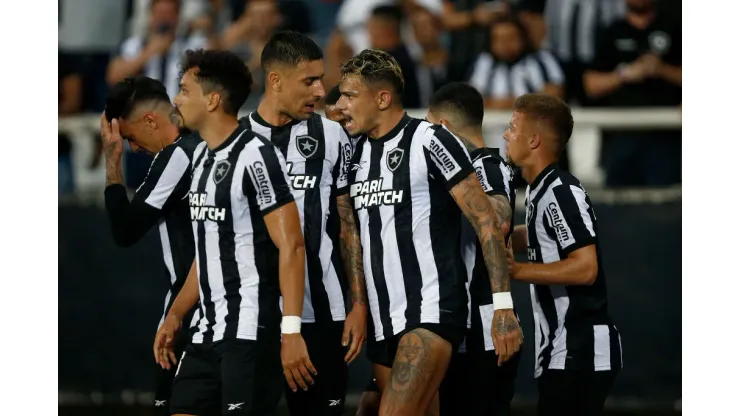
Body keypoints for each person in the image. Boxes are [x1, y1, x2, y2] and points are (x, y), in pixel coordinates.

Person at [335, 49, 523, 416]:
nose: (341, 104)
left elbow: (485, 220)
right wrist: (358, 303)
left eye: (350, 95)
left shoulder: (430, 140)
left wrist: (504, 307)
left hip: (431, 309)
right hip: (381, 317)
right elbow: (349, 232)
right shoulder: (353, 154)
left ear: (383, 98)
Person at [153, 49, 315, 416]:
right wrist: (177, 314)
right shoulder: (200, 158)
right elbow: (208, 250)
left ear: (212, 99)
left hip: (250, 332)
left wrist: (290, 332)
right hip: (205, 331)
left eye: (184, 89)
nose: (177, 98)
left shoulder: (257, 155)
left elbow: (291, 245)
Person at [238, 30, 367, 416]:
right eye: (309, 81)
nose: (320, 90)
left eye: (321, 79)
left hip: (322, 316)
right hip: (252, 318)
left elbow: (347, 224)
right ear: (274, 80)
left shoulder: (332, 136)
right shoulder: (235, 141)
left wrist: (357, 303)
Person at [503, 93, 622, 416]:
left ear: (534, 140)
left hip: (578, 349)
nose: (505, 134)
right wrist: (492, 235)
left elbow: (585, 268)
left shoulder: (559, 192)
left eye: (513, 127)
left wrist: (517, 271)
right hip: (564, 350)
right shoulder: (541, 190)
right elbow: (543, 236)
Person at [101, 76, 202, 414]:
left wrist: (112, 163)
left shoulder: (176, 157)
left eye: (129, 137)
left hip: (192, 313)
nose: (131, 147)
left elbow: (125, 231)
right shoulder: (209, 145)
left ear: (149, 120)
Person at [426, 82, 520, 416]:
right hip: (464, 322)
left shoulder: (484, 167)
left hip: (484, 324)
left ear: (444, 129)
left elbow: (499, 217)